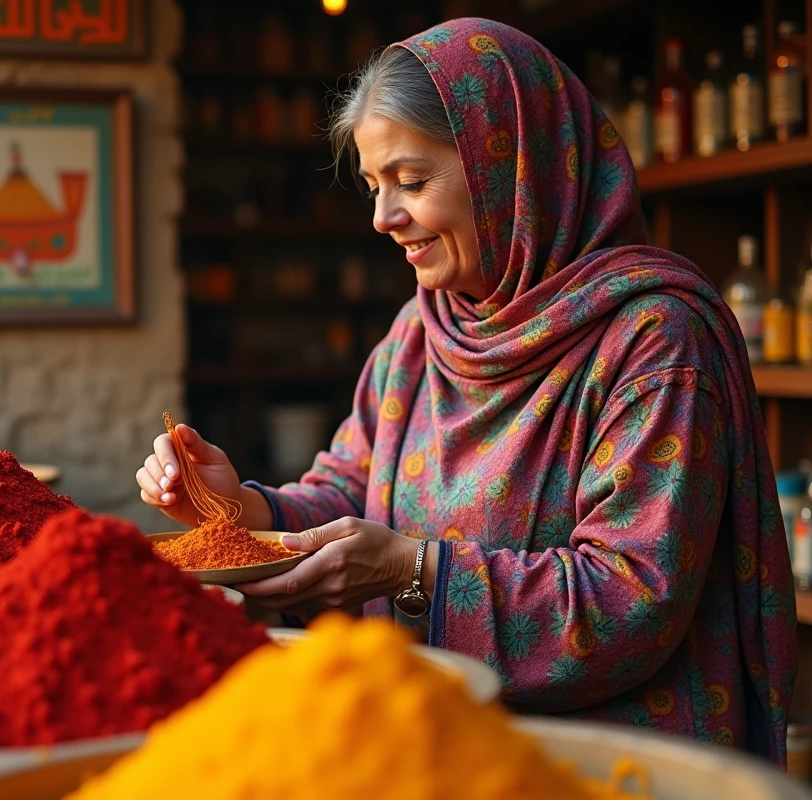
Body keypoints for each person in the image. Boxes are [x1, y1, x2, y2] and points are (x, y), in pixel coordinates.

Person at [138, 19, 796, 763]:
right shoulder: (421, 333)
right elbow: (350, 492)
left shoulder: (652, 342)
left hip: (601, 766)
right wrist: (241, 509)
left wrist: (413, 570)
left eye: (412, 182)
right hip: (435, 751)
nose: (384, 218)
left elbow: (629, 602)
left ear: (509, 169)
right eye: (374, 186)